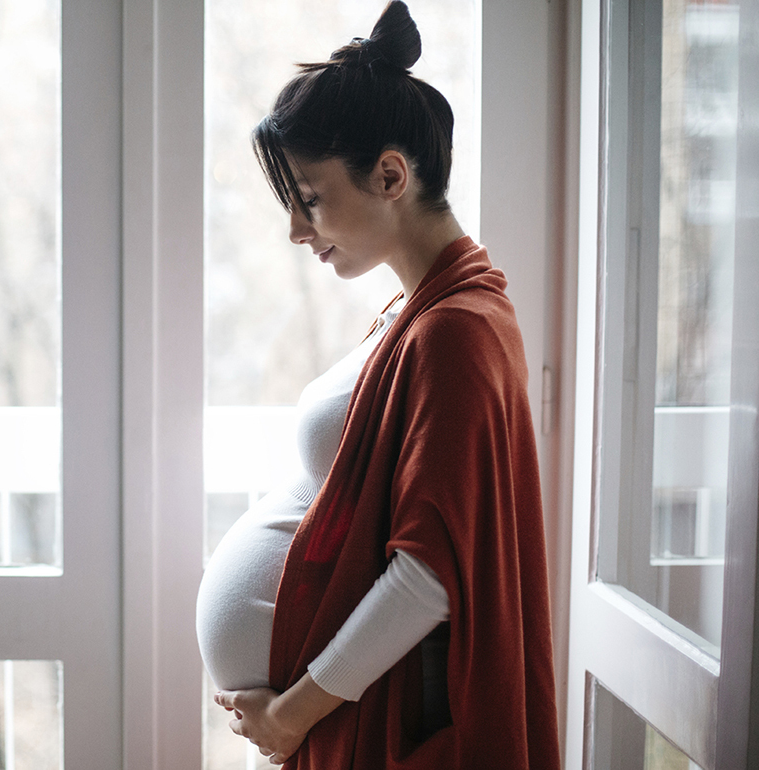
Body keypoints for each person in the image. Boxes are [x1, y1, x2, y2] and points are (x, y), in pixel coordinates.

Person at [195, 2, 561, 767]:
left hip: (380, 721)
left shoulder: (455, 329)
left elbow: (432, 574)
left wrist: (293, 713)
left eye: (312, 198)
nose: (298, 229)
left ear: (390, 174)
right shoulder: (420, 310)